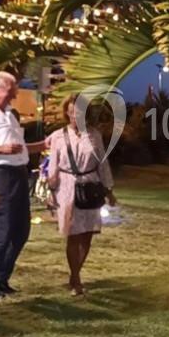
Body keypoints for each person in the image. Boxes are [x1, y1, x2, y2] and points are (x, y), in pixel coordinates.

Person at [0, 71, 44, 297]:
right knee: (3, 228)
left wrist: (44, 144)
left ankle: (1, 278)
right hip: (0, 174)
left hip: (18, 173)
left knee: (20, 229)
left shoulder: (9, 114)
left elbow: (20, 147)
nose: (15, 93)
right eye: (11, 89)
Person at [46, 95, 117, 295]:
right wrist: (52, 190)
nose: (74, 115)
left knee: (87, 235)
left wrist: (109, 189)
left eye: (78, 111)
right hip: (67, 188)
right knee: (73, 235)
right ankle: (76, 279)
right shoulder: (59, 136)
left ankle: (74, 274)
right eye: (71, 111)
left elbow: (102, 163)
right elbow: (53, 164)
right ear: (66, 112)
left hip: (91, 186)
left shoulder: (94, 135)